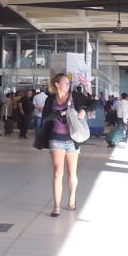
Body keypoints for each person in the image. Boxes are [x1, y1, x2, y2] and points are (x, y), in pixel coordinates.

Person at [37, 73, 87, 217]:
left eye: (68, 82)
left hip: (72, 140)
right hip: (56, 139)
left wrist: (84, 110)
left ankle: (72, 199)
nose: (68, 84)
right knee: (58, 172)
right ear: (57, 84)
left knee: (72, 173)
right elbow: (46, 117)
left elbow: (93, 103)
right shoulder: (51, 99)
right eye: (65, 82)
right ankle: (56, 206)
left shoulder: (75, 97)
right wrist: (61, 113)